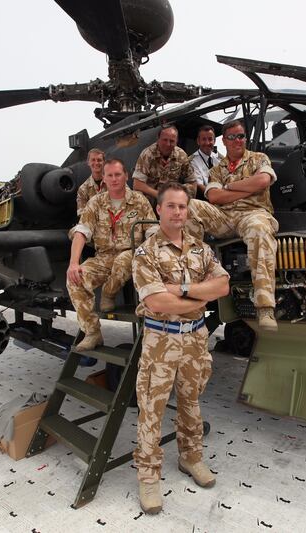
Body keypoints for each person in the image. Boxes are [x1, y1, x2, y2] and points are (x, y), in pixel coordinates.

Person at [132, 182, 230, 514]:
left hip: (196, 338)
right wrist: (201, 294)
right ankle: (148, 477)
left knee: (191, 402)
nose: (178, 212)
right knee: (152, 410)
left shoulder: (202, 250)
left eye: (183, 207)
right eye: (171, 206)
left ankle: (191, 458)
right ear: (159, 209)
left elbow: (224, 286)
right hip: (160, 339)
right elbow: (157, 302)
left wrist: (185, 288)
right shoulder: (145, 253)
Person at [186, 120, 279, 331]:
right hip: (225, 217)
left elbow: (263, 181)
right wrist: (248, 188)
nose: (238, 141)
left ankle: (264, 307)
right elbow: (214, 196)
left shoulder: (258, 158)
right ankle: (194, 283)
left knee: (258, 228)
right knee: (189, 205)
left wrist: (230, 187)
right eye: (232, 137)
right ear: (224, 141)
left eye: (241, 136)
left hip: (253, 214)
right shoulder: (217, 168)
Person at [67, 159, 156, 350]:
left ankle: (108, 294)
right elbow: (81, 231)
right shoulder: (96, 202)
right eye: (110, 175)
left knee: (124, 260)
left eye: (118, 174)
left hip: (131, 254)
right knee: (75, 278)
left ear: (125, 176)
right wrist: (74, 263)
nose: (114, 179)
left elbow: (152, 232)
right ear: (104, 179)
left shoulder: (139, 201)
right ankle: (92, 332)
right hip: (103, 257)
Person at [132, 125, 198, 205]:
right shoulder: (147, 155)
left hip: (174, 200)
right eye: (165, 140)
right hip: (150, 200)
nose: (168, 144)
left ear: (176, 141)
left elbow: (192, 182)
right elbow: (137, 185)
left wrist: (182, 197)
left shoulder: (181, 156)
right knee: (137, 198)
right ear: (158, 139)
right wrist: (160, 195)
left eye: (172, 141)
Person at [189, 125, 222, 199]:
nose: (207, 143)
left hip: (222, 195)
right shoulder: (192, 161)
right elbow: (199, 186)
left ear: (214, 141)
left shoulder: (220, 159)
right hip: (206, 198)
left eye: (210, 139)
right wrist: (216, 197)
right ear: (198, 141)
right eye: (204, 139)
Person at [76, 148, 106, 216]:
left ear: (104, 162)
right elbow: (82, 215)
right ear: (88, 163)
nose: (96, 163)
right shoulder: (83, 189)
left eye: (99, 160)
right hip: (93, 225)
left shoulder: (115, 182)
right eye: (93, 160)